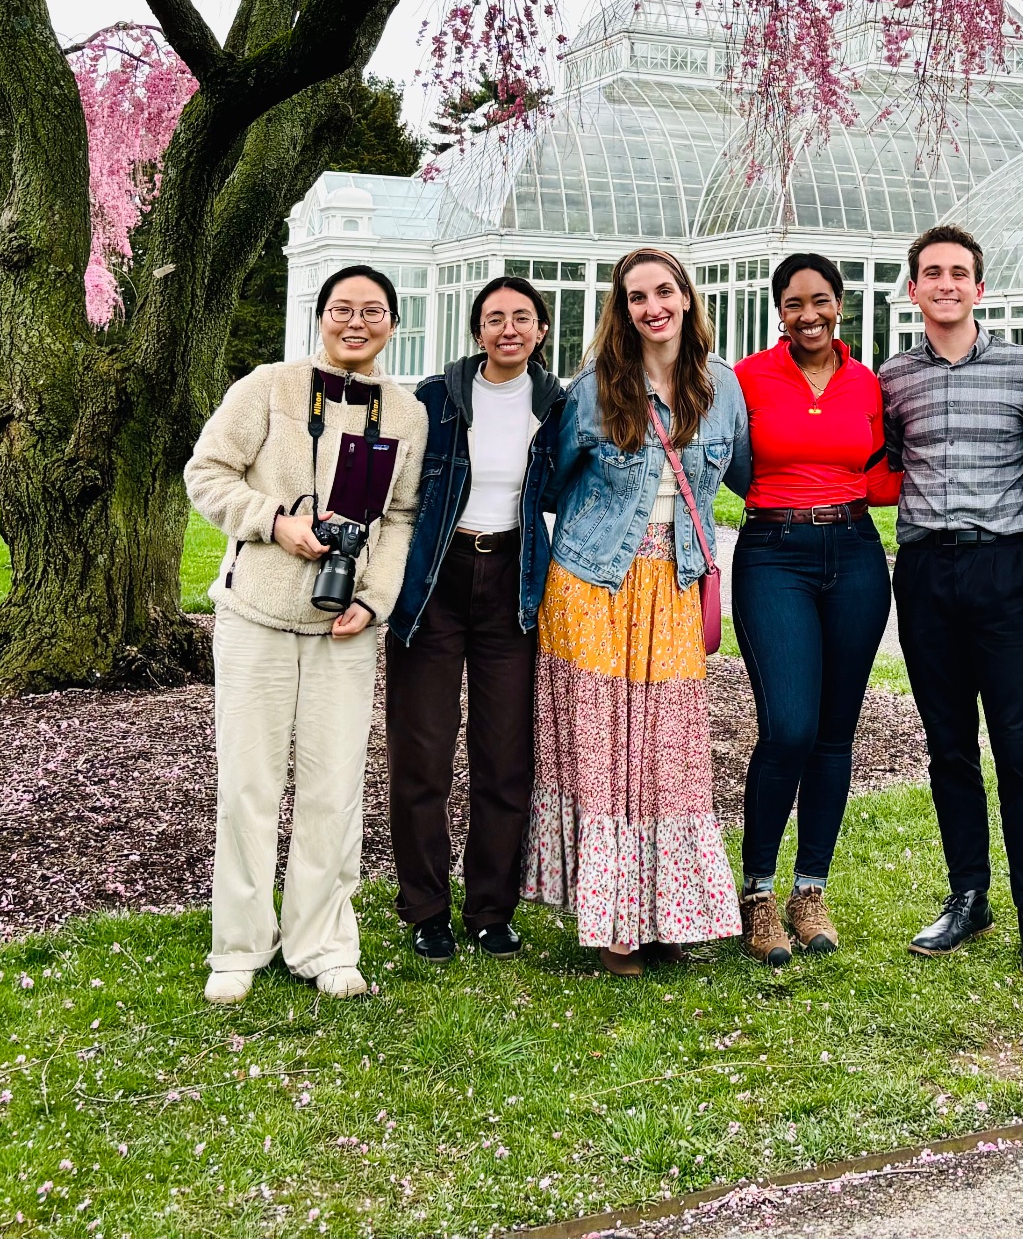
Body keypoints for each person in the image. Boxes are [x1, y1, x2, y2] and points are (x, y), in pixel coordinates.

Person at [184, 265, 425, 1005]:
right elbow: (207, 473)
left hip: (342, 629)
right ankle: (240, 945)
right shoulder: (267, 387)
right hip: (256, 614)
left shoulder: (406, 414)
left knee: (333, 789)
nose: (358, 322)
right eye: (343, 309)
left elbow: (403, 518)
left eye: (373, 311)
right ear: (321, 317)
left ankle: (322, 941)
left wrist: (377, 599)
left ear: (392, 324)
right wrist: (276, 524)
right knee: (249, 786)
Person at [523, 246, 750, 975]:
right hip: (594, 582)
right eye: (635, 297)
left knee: (668, 751)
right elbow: (553, 485)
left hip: (675, 585)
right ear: (621, 311)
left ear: (685, 296)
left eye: (663, 292)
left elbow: (740, 473)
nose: (652, 307)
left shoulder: (722, 386)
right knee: (601, 749)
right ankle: (614, 920)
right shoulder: (594, 389)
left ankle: (667, 911)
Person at [879, 224, 1023, 979]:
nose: (946, 284)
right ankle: (968, 896)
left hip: (1006, 572)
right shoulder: (892, 379)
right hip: (925, 574)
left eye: (960, 273)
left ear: (979, 289)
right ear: (915, 289)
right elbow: (881, 463)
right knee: (948, 747)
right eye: (933, 273)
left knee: (1021, 750)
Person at [729, 252, 903, 966]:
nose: (810, 314)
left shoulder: (868, 382)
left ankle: (811, 891)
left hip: (857, 553)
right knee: (790, 727)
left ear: (840, 305)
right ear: (780, 311)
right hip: (774, 554)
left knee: (835, 733)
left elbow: (887, 469)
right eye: (795, 302)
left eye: (822, 300)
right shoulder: (745, 379)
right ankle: (759, 895)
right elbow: (724, 459)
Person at [387, 276, 568, 962]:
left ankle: (492, 910)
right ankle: (427, 909)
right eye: (495, 318)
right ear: (478, 331)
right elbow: (391, 487)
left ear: (542, 330)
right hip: (436, 580)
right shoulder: (435, 399)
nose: (509, 329)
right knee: (422, 753)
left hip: (513, 585)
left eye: (522, 318)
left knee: (505, 759)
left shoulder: (558, 405)